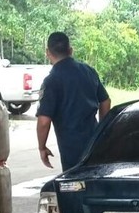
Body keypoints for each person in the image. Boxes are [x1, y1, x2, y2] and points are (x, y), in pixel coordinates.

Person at [36, 31, 111, 170]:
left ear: (47, 52)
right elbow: (105, 101)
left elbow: (44, 121)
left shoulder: (52, 81)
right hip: (94, 141)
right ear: (70, 50)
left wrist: (42, 147)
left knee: (75, 185)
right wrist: (102, 130)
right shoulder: (89, 71)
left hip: (71, 147)